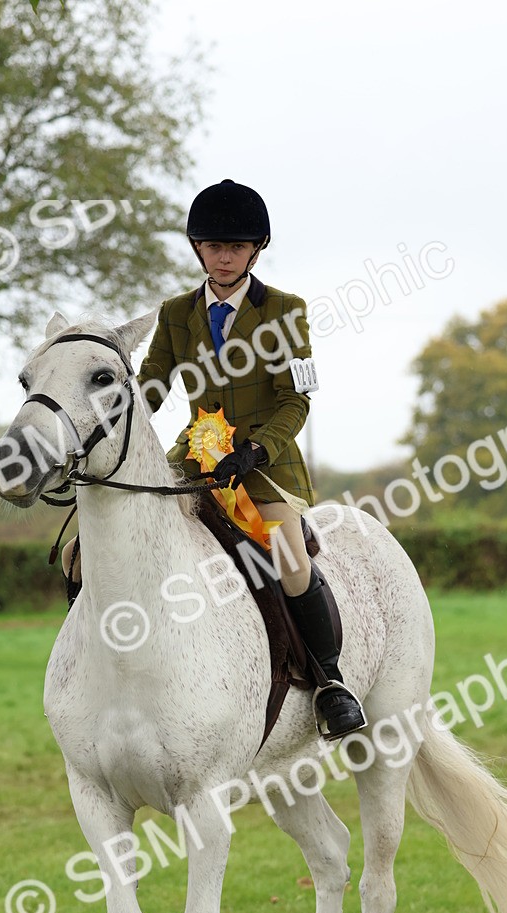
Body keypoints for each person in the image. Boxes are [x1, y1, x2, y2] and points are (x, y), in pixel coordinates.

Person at [64, 179, 366, 739]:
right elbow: (149, 386)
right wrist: (104, 431)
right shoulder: (176, 313)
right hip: (194, 457)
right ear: (197, 249)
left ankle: (330, 681)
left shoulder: (285, 311)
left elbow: (295, 399)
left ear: (256, 249)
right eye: (213, 246)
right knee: (83, 552)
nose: (223, 257)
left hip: (265, 466)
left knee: (291, 562)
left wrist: (256, 450)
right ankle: (93, 674)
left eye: (235, 247)